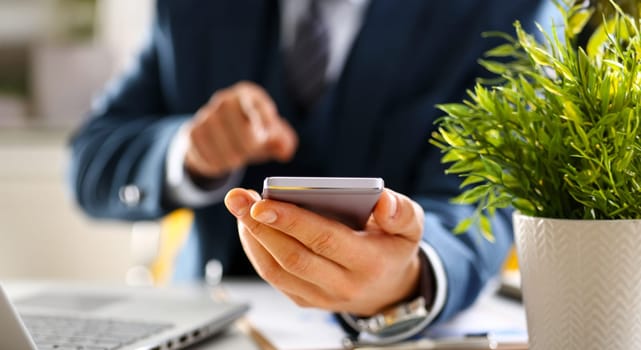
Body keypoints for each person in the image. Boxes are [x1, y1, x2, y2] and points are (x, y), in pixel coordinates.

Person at [69, 0, 548, 343]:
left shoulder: (509, 10)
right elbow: (90, 161)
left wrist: (408, 277)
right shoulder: (193, 10)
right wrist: (187, 151)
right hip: (208, 329)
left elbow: (486, 195)